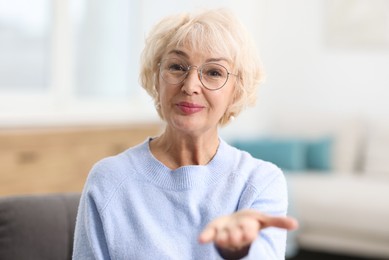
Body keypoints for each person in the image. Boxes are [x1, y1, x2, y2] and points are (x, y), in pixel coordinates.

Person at [73, 8, 298, 260]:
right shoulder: (109, 180)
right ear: (156, 78)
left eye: (214, 72)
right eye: (177, 67)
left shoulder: (260, 182)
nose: (190, 86)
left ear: (236, 90)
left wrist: (238, 253)